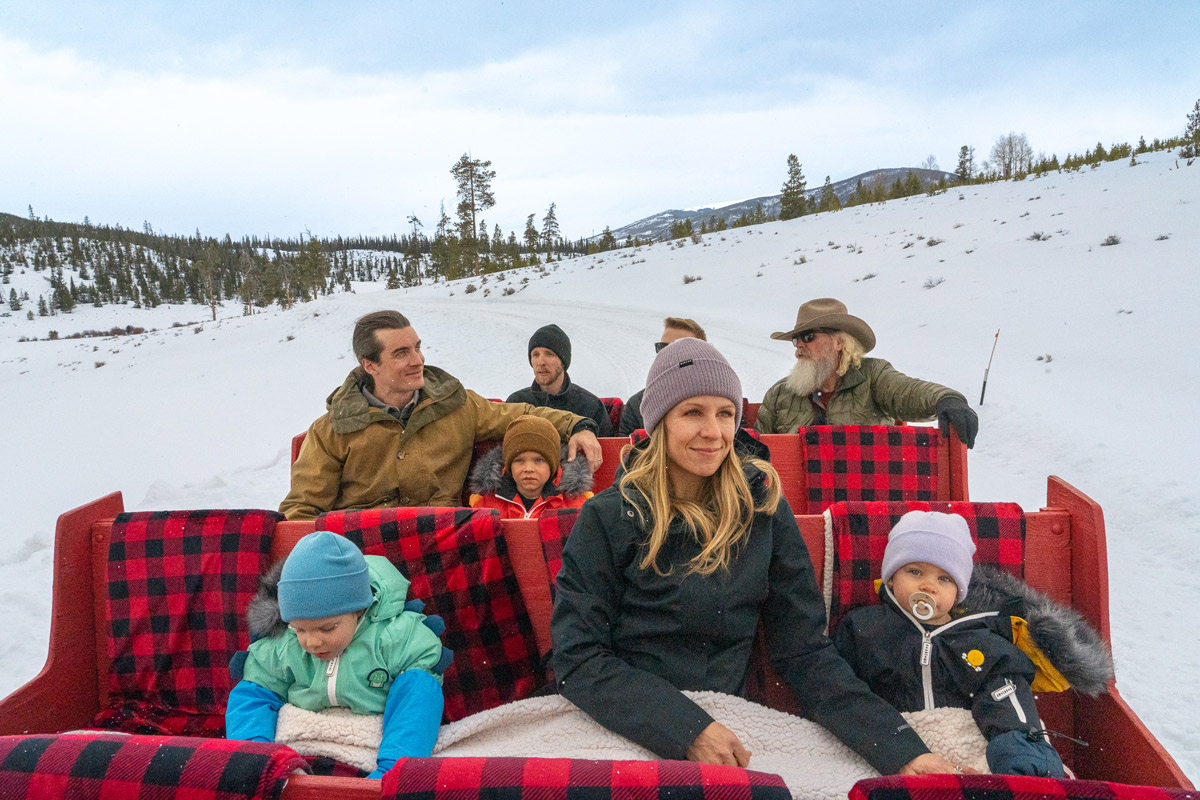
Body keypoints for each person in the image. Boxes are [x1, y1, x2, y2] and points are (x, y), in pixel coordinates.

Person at [551, 337, 962, 775]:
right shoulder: (610, 517)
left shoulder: (761, 510)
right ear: (660, 422)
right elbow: (579, 657)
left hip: (728, 720)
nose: (714, 432)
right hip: (628, 717)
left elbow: (804, 652)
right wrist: (686, 729)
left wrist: (901, 751)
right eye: (693, 412)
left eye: (725, 413)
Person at [833, 510, 1092, 777]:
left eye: (944, 578)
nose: (928, 586)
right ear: (891, 577)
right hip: (888, 744)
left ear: (958, 591)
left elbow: (1005, 697)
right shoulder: (864, 628)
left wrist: (1020, 750)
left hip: (964, 745)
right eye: (915, 571)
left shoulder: (980, 637)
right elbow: (843, 690)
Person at [280, 311, 602, 520]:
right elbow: (302, 511)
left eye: (417, 348)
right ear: (370, 365)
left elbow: (521, 414)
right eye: (401, 353)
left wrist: (578, 425)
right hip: (364, 554)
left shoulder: (455, 405)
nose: (418, 360)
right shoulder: (333, 429)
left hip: (442, 548)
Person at [225, 532, 450, 779]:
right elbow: (254, 695)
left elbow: (417, 701)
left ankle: (393, 772)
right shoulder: (283, 644)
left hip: (377, 745)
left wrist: (392, 771)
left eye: (327, 628)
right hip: (303, 749)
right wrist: (255, 759)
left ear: (359, 610)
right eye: (300, 629)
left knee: (420, 690)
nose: (312, 642)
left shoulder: (395, 637)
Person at [754, 298, 978, 447]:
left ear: (840, 342)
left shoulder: (873, 376)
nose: (800, 345)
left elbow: (908, 391)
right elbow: (756, 454)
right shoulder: (780, 393)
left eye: (808, 336)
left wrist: (947, 399)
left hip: (864, 499)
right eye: (796, 339)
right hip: (796, 503)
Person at [467, 415, 594, 519]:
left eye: (539, 461)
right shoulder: (485, 504)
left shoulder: (577, 504)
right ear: (508, 465)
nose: (528, 468)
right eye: (519, 461)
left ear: (553, 465)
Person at [506, 324, 614, 436]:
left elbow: (608, 446)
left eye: (549, 354)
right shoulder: (516, 402)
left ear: (563, 362)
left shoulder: (591, 406)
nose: (540, 362)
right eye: (535, 355)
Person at [619, 317, 708, 436]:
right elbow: (625, 446)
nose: (668, 353)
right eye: (663, 347)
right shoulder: (638, 404)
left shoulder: (719, 402)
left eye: (679, 348)